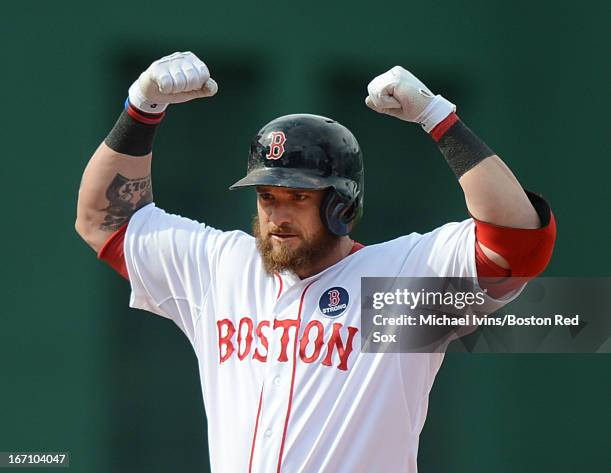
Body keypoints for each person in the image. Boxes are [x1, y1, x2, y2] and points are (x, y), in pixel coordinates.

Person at [75, 51, 556, 472]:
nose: (277, 215)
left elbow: (518, 240)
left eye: (297, 197)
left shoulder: (399, 284)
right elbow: (104, 219)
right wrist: (141, 108)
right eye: (267, 196)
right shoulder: (221, 268)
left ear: (341, 204)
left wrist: (438, 118)